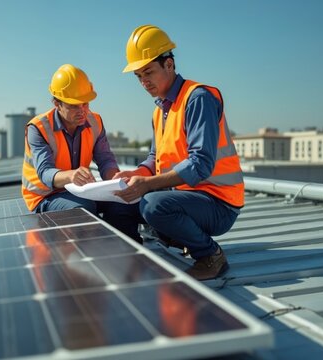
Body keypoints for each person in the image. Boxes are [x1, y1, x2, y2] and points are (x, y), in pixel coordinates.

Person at [114, 25, 245, 280]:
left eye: (148, 72)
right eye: (139, 76)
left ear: (169, 65)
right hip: (187, 197)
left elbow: (200, 165)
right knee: (121, 202)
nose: (144, 82)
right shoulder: (160, 109)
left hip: (218, 203)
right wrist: (138, 173)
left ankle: (210, 256)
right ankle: (137, 260)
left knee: (152, 204)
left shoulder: (197, 98)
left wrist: (148, 184)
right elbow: (156, 158)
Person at [21, 64, 141, 241]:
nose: (82, 111)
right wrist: (71, 176)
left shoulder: (95, 121)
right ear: (57, 104)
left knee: (123, 201)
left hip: (80, 191)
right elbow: (45, 173)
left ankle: (130, 252)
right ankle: (92, 254)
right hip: (45, 196)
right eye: (74, 106)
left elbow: (105, 159)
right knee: (83, 209)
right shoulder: (38, 128)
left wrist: (115, 180)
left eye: (85, 103)